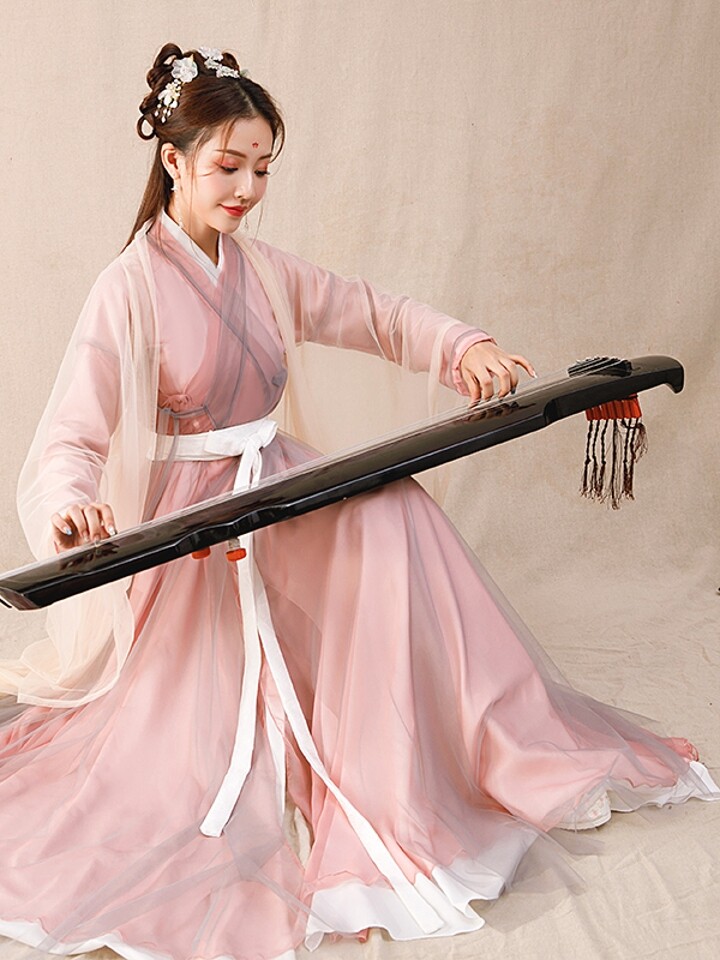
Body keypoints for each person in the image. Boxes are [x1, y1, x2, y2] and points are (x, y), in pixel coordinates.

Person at [0, 43, 716, 960]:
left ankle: (453, 745)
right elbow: (72, 435)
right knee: (175, 752)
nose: (248, 189)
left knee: (394, 509)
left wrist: (461, 347)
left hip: (281, 486)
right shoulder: (127, 288)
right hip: (200, 523)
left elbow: (373, 312)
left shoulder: (263, 271)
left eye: (263, 169)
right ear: (173, 160)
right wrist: (72, 505)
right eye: (228, 167)